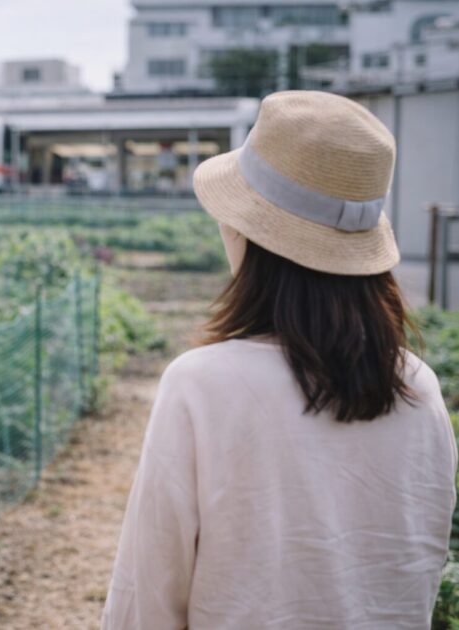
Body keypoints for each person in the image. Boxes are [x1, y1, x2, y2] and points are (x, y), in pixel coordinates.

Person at [101, 90, 457, 629]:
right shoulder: (417, 386)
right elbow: (415, 565)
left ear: (250, 233)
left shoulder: (202, 384)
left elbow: (148, 590)